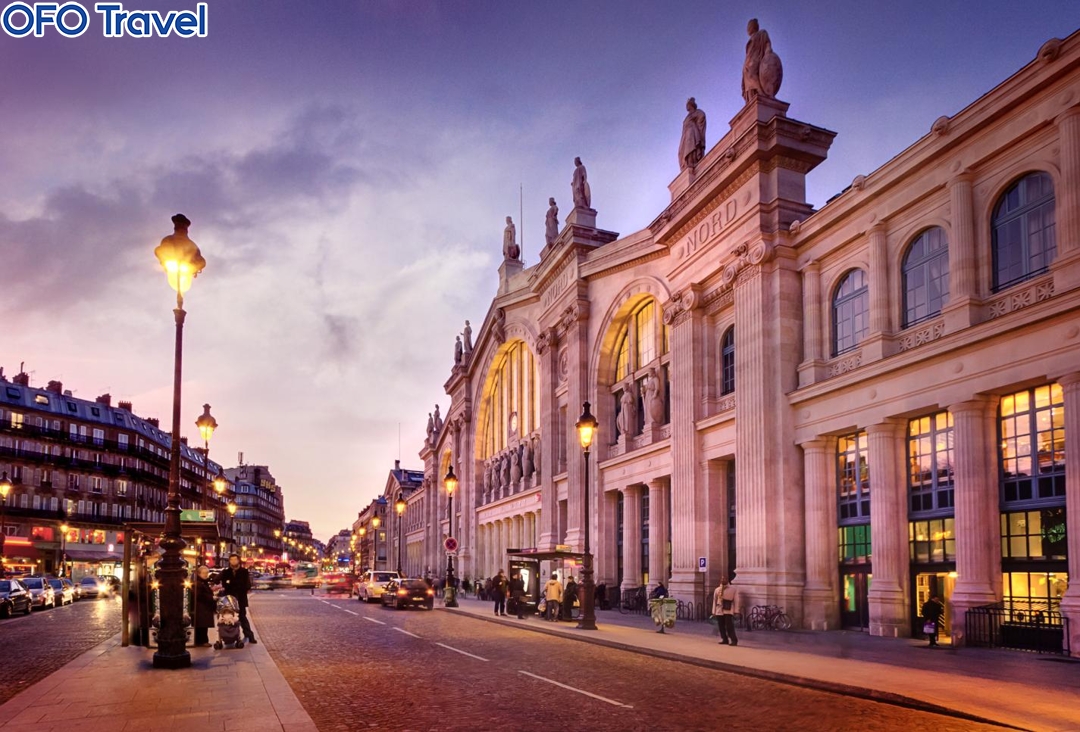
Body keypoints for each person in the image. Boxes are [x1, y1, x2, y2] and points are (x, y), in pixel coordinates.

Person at [219, 553, 256, 644]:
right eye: (231, 560)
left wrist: (232, 585)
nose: (233, 561)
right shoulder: (226, 572)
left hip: (241, 599)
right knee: (229, 617)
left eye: (235, 559)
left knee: (242, 617)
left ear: (238, 560)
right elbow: (224, 584)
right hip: (229, 600)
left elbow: (247, 585)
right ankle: (229, 636)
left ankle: (249, 636)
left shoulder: (244, 571)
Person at [193, 565, 216, 647]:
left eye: (207, 573)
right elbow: (199, 595)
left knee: (203, 625)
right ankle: (202, 641)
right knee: (202, 625)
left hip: (204, 607)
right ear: (199, 574)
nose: (206, 575)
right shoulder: (199, 583)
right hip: (201, 607)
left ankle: (201, 640)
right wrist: (211, 597)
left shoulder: (203, 582)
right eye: (204, 573)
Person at [713, 576, 738, 646]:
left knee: (729, 626)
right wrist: (714, 611)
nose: (723, 580)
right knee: (721, 626)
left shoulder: (733, 589)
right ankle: (724, 639)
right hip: (719, 609)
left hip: (728, 609)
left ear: (727, 580)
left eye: (725, 578)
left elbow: (736, 600)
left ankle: (734, 640)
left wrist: (736, 611)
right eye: (722, 579)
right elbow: (714, 601)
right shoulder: (717, 590)